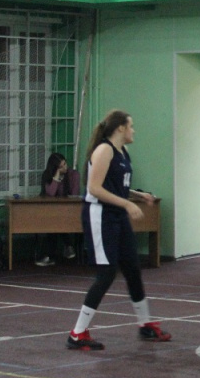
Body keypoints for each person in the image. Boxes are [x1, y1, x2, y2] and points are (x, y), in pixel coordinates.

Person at [65, 110, 171, 351]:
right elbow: (94, 188)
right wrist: (126, 204)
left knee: (133, 268)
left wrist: (137, 195)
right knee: (107, 273)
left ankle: (145, 324)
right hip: (100, 215)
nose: (134, 131)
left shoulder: (123, 152)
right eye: (131, 126)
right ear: (120, 128)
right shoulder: (104, 150)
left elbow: (113, 184)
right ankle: (77, 333)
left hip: (117, 215)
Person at [36, 152, 80, 266]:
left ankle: (51, 255)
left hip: (68, 210)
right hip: (50, 211)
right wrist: (56, 178)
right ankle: (68, 245)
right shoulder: (47, 175)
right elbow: (50, 194)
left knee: (56, 220)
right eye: (61, 167)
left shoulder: (73, 175)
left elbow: (74, 195)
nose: (65, 167)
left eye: (65, 164)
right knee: (52, 220)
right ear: (55, 168)